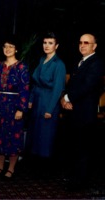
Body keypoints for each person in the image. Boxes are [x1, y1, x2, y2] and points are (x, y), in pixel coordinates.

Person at [60, 32, 104, 190]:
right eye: (81, 42)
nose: (83, 45)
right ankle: (74, 178)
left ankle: (80, 183)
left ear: (94, 46)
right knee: (74, 147)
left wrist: (67, 98)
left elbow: (87, 86)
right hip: (73, 112)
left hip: (85, 114)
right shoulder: (79, 61)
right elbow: (71, 85)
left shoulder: (96, 63)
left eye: (86, 42)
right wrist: (64, 98)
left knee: (83, 149)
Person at [27, 31, 66, 178]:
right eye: (45, 43)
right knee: (36, 134)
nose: (47, 46)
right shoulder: (41, 59)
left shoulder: (59, 64)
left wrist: (50, 109)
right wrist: (30, 100)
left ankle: (46, 170)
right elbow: (35, 83)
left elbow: (58, 89)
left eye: (50, 43)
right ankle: (36, 167)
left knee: (46, 136)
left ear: (56, 46)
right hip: (37, 101)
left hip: (49, 102)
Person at [0, 34, 30, 178]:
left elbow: (25, 90)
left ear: (16, 49)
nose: (7, 49)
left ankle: (11, 168)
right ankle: (0, 166)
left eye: (11, 47)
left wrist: (21, 109)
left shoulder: (22, 67)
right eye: (5, 46)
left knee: (13, 136)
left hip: (14, 106)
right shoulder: (0, 65)